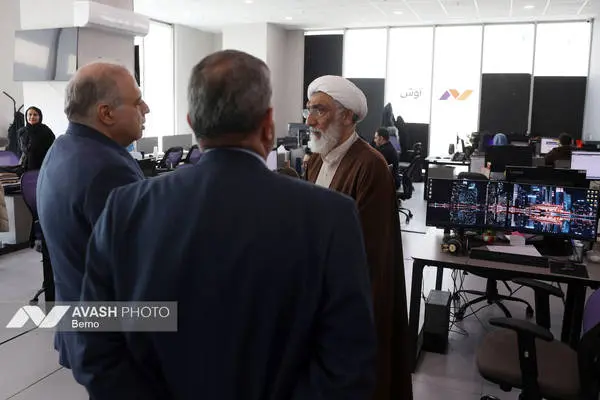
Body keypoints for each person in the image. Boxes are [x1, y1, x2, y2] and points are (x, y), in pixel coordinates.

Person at [72, 50, 377, 399]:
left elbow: (94, 343)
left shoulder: (125, 209)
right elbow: (348, 364)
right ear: (268, 124)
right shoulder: (330, 217)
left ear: (192, 123)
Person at [304, 75, 413, 400]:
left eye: (320, 110)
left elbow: (369, 258)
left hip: (348, 305)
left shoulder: (371, 167)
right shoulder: (316, 162)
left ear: (348, 116)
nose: (310, 120)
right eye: (309, 110)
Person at [37, 61, 149, 370]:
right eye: (137, 101)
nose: (146, 109)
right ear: (106, 113)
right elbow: (140, 266)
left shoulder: (63, 148)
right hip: (113, 339)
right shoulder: (108, 170)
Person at [17, 106, 55, 171]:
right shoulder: (22, 132)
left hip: (42, 167)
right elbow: (21, 151)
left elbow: (52, 150)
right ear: (26, 116)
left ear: (39, 117)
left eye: (35, 115)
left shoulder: (46, 131)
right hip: (24, 166)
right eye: (30, 114)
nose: (32, 117)